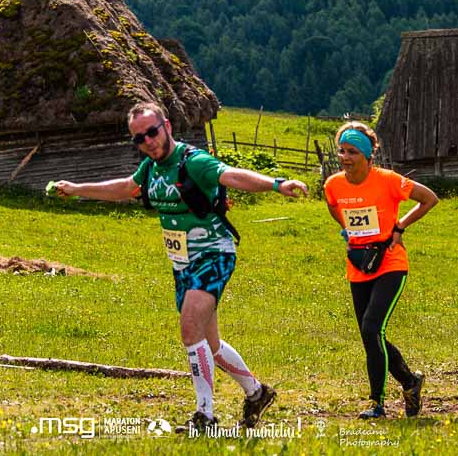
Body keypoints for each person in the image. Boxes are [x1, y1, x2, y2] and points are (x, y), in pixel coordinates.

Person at [55, 101, 308, 432]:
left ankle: (205, 416)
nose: (148, 141)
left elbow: (231, 175)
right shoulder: (150, 168)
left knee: (190, 329)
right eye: (139, 138)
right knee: (210, 344)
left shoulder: (193, 161)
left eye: (152, 132)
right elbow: (126, 188)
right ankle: (257, 393)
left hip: (213, 255)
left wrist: (276, 184)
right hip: (182, 263)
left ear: (167, 127)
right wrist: (76, 189)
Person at [324, 121, 438, 419]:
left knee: (372, 328)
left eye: (352, 152)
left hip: (390, 262)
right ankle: (410, 382)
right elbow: (333, 205)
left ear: (367, 155)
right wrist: (348, 230)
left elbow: (429, 199)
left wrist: (400, 226)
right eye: (342, 151)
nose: (345, 158)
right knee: (370, 335)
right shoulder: (333, 184)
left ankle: (376, 403)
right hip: (358, 264)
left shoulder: (388, 180)